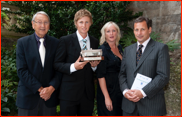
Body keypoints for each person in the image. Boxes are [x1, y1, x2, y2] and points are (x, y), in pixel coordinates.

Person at [119, 16, 170, 116]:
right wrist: (125, 91)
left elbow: (163, 76)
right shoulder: (127, 50)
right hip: (129, 107)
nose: (139, 33)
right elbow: (122, 74)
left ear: (149, 30)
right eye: (136, 30)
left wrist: (142, 92)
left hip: (151, 107)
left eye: (142, 29)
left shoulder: (160, 48)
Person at [54, 9, 100, 116]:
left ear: (91, 23)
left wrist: (94, 67)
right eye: (81, 22)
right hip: (69, 94)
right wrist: (73, 67)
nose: (84, 25)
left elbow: (93, 65)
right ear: (76, 23)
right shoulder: (65, 41)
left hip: (87, 94)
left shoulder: (94, 41)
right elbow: (57, 64)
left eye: (87, 22)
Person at [16, 11, 61, 116]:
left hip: (49, 98)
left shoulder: (57, 43)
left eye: (46, 22)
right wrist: (41, 89)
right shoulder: (22, 43)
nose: (42, 25)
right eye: (39, 22)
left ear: (49, 25)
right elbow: (21, 70)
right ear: (33, 24)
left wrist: (51, 88)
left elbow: (59, 69)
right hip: (28, 98)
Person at [96, 21, 123, 116]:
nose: (111, 33)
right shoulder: (102, 50)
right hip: (108, 92)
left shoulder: (120, 48)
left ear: (117, 32)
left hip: (120, 92)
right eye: (108, 31)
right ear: (104, 34)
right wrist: (107, 97)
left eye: (113, 31)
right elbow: (100, 76)